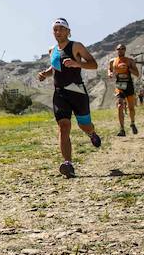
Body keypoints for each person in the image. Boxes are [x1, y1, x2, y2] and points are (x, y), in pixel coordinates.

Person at [37, 18, 101, 178]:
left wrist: (77, 64)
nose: (58, 32)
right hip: (60, 93)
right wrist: (46, 73)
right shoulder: (52, 50)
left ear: (68, 31)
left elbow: (94, 64)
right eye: (55, 29)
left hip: (77, 92)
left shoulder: (76, 46)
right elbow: (55, 67)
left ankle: (91, 133)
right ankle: (68, 164)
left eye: (61, 29)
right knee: (63, 126)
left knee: (84, 125)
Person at [107, 43, 139, 136]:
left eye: (122, 48)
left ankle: (132, 123)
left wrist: (128, 68)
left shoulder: (130, 61)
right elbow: (109, 69)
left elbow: (137, 74)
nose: (120, 50)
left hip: (129, 85)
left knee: (131, 108)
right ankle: (122, 129)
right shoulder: (112, 61)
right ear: (116, 50)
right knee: (120, 105)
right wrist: (110, 74)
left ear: (125, 50)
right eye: (118, 49)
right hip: (119, 85)